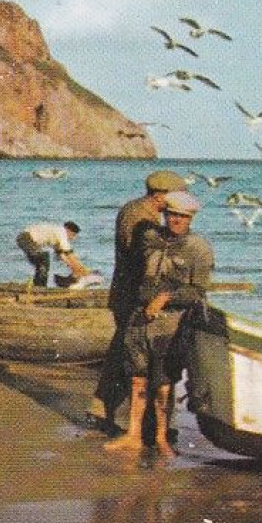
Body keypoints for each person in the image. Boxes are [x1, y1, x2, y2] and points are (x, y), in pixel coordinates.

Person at [106, 189, 212, 458]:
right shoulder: (150, 239)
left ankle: (161, 437)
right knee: (137, 379)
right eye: (171, 214)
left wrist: (165, 298)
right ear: (164, 215)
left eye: (182, 217)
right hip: (138, 320)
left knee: (164, 384)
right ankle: (133, 435)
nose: (176, 220)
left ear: (191, 219)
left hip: (170, 326)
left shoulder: (198, 249)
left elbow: (197, 291)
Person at [91, 169, 185, 436]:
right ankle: (145, 424)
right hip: (132, 296)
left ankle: (102, 410)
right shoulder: (139, 216)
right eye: (178, 196)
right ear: (160, 195)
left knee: (124, 353)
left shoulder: (141, 211)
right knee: (136, 357)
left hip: (129, 294)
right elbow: (142, 257)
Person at [15, 220, 89, 288]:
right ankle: (40, 286)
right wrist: (81, 270)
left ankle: (38, 285)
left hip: (24, 239)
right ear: (68, 230)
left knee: (41, 262)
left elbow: (63, 256)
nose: (73, 238)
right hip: (25, 238)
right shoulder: (61, 232)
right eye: (73, 235)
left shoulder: (57, 236)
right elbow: (69, 254)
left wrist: (74, 270)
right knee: (44, 258)